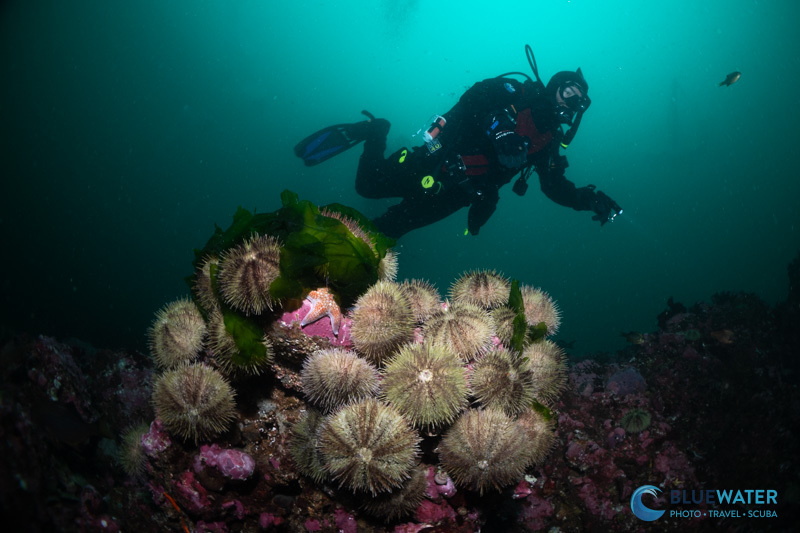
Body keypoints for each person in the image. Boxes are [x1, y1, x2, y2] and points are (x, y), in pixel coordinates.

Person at [295, 46, 621, 238]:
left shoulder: (547, 142)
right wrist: (501, 129)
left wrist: (586, 199)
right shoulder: (517, 94)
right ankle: (376, 131)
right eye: (568, 93)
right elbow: (474, 97)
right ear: (554, 88)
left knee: (386, 231)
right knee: (367, 187)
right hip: (435, 158)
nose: (570, 105)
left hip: (460, 193)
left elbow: (553, 186)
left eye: (578, 103)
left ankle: (333, 263)